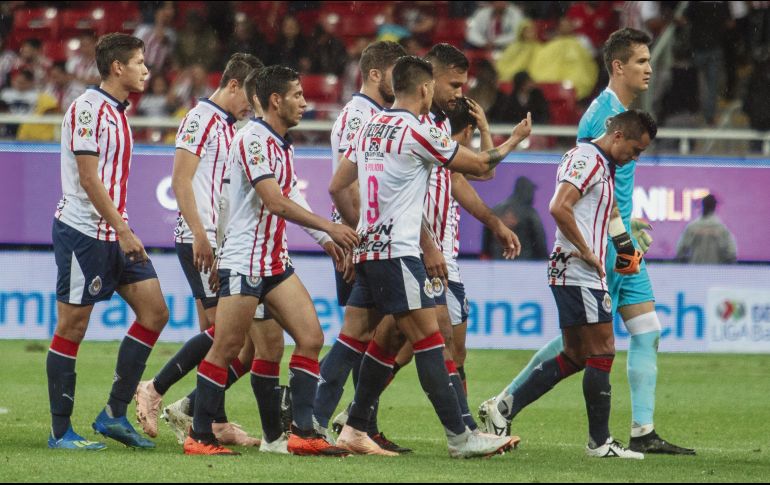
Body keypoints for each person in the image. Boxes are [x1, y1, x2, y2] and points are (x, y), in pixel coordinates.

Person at [479, 27, 696, 456]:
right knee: (586, 344)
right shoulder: (601, 118)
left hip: (621, 241)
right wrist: (605, 240)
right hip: (602, 250)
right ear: (618, 66)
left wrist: (629, 224)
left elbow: (610, 192)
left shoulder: (623, 118)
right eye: (640, 61)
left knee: (645, 330)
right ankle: (508, 402)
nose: (650, 68)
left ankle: (643, 430)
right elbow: (582, 185)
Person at [328, 55, 530, 458]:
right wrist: (514, 139)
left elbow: (337, 184)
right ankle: (460, 436)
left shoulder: (372, 125)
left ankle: (352, 425)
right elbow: (479, 163)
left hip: (371, 247)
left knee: (377, 343)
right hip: (400, 253)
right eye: (443, 87)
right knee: (430, 342)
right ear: (424, 88)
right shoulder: (416, 130)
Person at [184, 65, 358, 456]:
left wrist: (324, 241)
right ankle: (199, 435)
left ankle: (301, 432)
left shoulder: (281, 143)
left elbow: (292, 196)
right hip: (244, 260)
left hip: (273, 262)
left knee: (311, 337)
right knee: (227, 347)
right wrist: (330, 229)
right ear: (276, 100)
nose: (304, 102)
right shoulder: (254, 140)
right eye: (297, 95)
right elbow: (275, 202)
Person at [494, 111, 657, 459]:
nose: (636, 156)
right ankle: (599, 443)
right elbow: (559, 207)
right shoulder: (587, 159)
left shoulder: (603, 165)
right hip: (577, 269)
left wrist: (626, 250)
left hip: (580, 270)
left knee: (576, 354)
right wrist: (586, 250)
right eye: (635, 148)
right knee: (603, 350)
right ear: (617, 137)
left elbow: (610, 212)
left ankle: (504, 408)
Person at [133, 53, 264, 449]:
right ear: (233, 84)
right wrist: (200, 235)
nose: (251, 105)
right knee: (225, 334)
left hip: (220, 241)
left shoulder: (230, 125)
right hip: (200, 239)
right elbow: (180, 179)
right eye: (249, 95)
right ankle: (155, 389)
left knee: (232, 338)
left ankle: (214, 418)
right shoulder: (199, 119)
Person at [47, 33, 168, 451]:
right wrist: (123, 229)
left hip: (115, 232)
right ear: (117, 67)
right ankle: (60, 432)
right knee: (72, 327)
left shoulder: (119, 112)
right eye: (139, 62)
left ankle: (114, 414)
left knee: (154, 313)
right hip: (84, 233)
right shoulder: (86, 108)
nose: (145, 70)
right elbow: (87, 177)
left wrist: (120, 228)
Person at [313, 40, 410, 453]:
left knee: (370, 334)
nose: (401, 82)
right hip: (360, 240)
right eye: (395, 73)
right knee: (363, 334)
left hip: (366, 238)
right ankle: (313, 418)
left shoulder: (375, 115)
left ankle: (358, 422)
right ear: (374, 74)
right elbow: (346, 183)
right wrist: (356, 237)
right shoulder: (359, 116)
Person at [482, 176, 548, 261]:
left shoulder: (496, 209)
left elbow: (486, 234)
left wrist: (485, 252)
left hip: (498, 263)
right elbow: (539, 238)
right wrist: (544, 258)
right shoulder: (529, 212)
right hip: (524, 264)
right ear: (527, 191)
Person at [676, 195, 737, 264]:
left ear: (702, 206)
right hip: (717, 272)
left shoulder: (692, 227)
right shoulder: (722, 229)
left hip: (695, 270)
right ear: (715, 207)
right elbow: (731, 252)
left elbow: (680, 250)